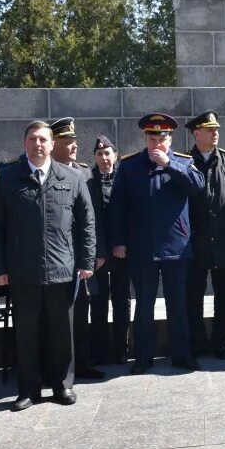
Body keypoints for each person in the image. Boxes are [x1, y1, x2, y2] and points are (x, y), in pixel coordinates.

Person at [0, 121, 96, 411]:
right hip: (23, 272)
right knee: (26, 334)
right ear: (24, 144)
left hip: (63, 269)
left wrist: (86, 261)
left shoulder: (71, 178)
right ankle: (28, 389)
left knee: (62, 333)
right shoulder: (7, 178)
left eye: (43, 140)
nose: (38, 145)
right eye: (33, 139)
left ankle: (62, 386)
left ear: (52, 144)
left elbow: (86, 222)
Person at [110, 113, 205, 375]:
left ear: (170, 139)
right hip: (142, 247)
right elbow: (117, 206)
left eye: (161, 139)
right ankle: (143, 357)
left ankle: (182, 355)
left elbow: (198, 186)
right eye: (152, 139)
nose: (156, 144)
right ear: (145, 138)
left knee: (178, 305)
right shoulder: (130, 166)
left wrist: (169, 165)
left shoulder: (184, 162)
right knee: (144, 305)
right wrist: (118, 241)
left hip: (176, 246)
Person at [184, 111, 225, 360]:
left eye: (216, 129)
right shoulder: (184, 161)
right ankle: (197, 343)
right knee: (193, 297)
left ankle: (222, 343)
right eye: (209, 129)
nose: (215, 133)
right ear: (196, 133)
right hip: (194, 243)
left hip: (224, 241)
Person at [49, 117, 104, 379]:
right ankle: (55, 368)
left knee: (82, 312)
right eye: (67, 141)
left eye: (74, 141)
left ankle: (82, 363)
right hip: (53, 257)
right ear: (53, 145)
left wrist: (95, 253)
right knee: (56, 316)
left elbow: (94, 218)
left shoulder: (84, 173)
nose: (73, 146)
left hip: (80, 257)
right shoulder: (46, 171)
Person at [87, 135, 131, 364]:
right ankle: (99, 350)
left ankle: (121, 350)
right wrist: (98, 252)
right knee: (98, 302)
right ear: (94, 157)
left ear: (115, 155)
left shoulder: (124, 179)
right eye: (99, 154)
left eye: (107, 153)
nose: (104, 158)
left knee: (121, 300)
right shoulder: (88, 181)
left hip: (122, 253)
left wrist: (122, 244)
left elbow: (129, 217)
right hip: (99, 255)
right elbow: (90, 222)